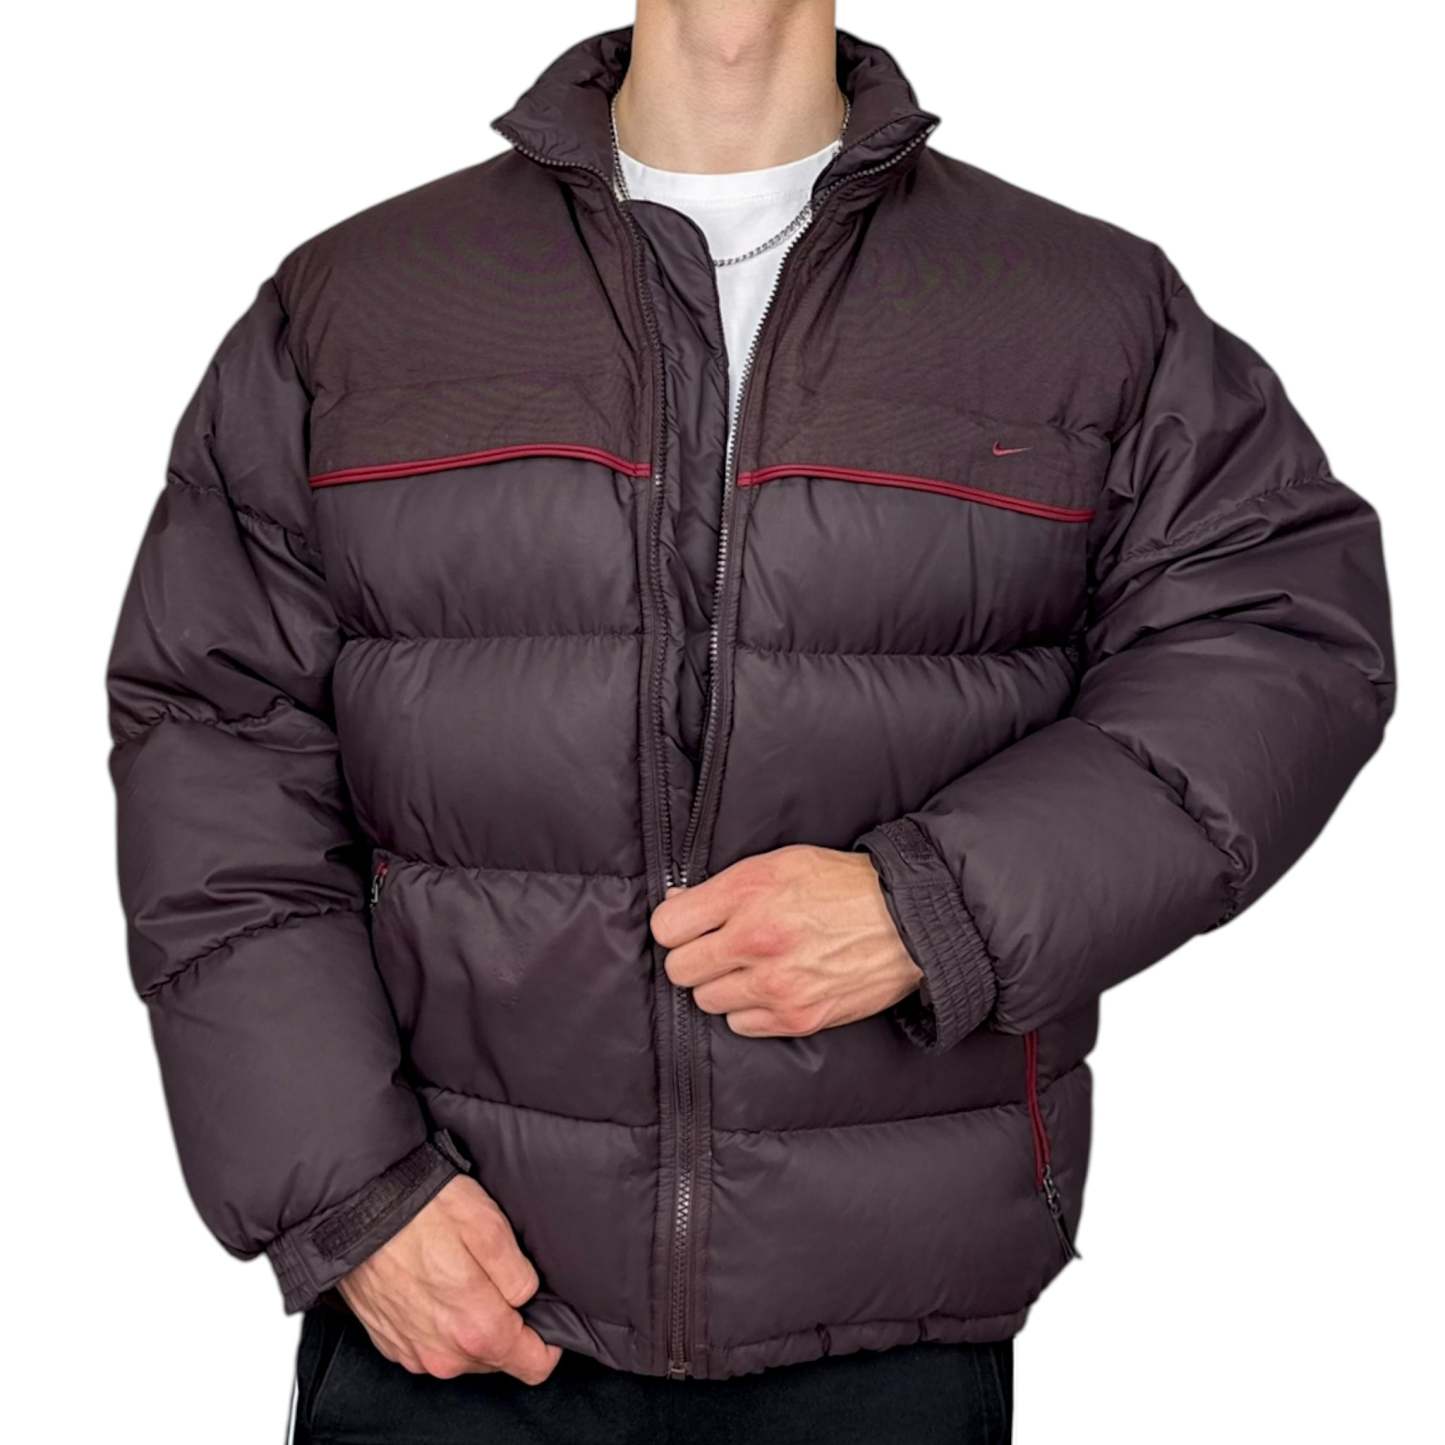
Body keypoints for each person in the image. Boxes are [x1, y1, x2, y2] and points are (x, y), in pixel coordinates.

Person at [106, 3, 1395, 1442]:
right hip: (454, 1309)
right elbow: (215, 749)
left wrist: (939, 904)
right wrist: (346, 1194)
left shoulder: (1080, 308)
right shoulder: (358, 306)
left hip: (888, 1323)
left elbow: (1280, 639)